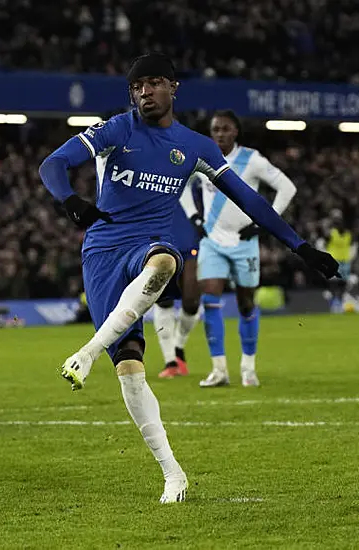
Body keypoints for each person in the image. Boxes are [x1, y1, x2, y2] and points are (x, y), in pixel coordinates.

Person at [38, 54, 339, 503]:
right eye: (138, 85)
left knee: (166, 262)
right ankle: (173, 473)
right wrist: (70, 201)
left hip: (149, 244)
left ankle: (88, 351)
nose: (145, 92)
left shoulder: (195, 146)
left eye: (155, 83)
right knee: (131, 371)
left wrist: (300, 246)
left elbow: (250, 200)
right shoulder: (116, 129)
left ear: (174, 88)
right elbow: (52, 164)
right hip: (101, 253)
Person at [182, 110, 298, 387]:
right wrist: (194, 217)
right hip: (212, 242)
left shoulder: (252, 160)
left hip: (245, 243)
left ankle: (248, 367)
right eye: (215, 129)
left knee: (246, 304)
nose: (220, 134)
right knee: (209, 299)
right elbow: (183, 184)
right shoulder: (203, 157)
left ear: (235, 132)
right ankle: (219, 369)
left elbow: (287, 188)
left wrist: (264, 222)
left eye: (225, 129)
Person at [150, 183, 202, 379]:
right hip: (160, 238)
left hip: (190, 240)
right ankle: (170, 360)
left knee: (191, 302)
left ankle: (178, 346)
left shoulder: (187, 163)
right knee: (164, 300)